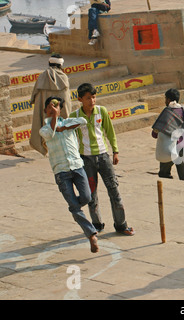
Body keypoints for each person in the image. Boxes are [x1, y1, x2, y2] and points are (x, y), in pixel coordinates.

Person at [70, 83, 135, 236]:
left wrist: (115, 151)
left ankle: (121, 224)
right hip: (85, 159)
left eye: (93, 97)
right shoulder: (74, 117)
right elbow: (70, 137)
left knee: (114, 190)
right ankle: (97, 224)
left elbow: (110, 132)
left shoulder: (102, 111)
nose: (92, 101)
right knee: (91, 194)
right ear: (80, 99)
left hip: (103, 156)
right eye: (88, 98)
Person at [39, 96, 99, 253]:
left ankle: (75, 209)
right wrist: (54, 118)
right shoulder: (44, 129)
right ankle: (91, 234)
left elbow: (84, 122)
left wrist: (64, 127)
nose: (53, 108)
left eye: (56, 106)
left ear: (60, 109)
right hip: (61, 171)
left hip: (77, 166)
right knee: (74, 205)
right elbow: (50, 134)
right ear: (46, 110)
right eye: (50, 107)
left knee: (86, 197)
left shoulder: (68, 123)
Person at [152, 88, 184, 181]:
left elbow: (154, 133)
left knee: (164, 174)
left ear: (168, 99)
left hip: (168, 148)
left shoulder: (166, 112)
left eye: (165, 98)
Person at [30, 54, 71, 156]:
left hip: (45, 110)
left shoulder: (42, 77)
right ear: (61, 65)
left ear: (49, 63)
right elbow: (67, 100)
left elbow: (35, 95)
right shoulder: (63, 77)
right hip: (61, 111)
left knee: (46, 127)